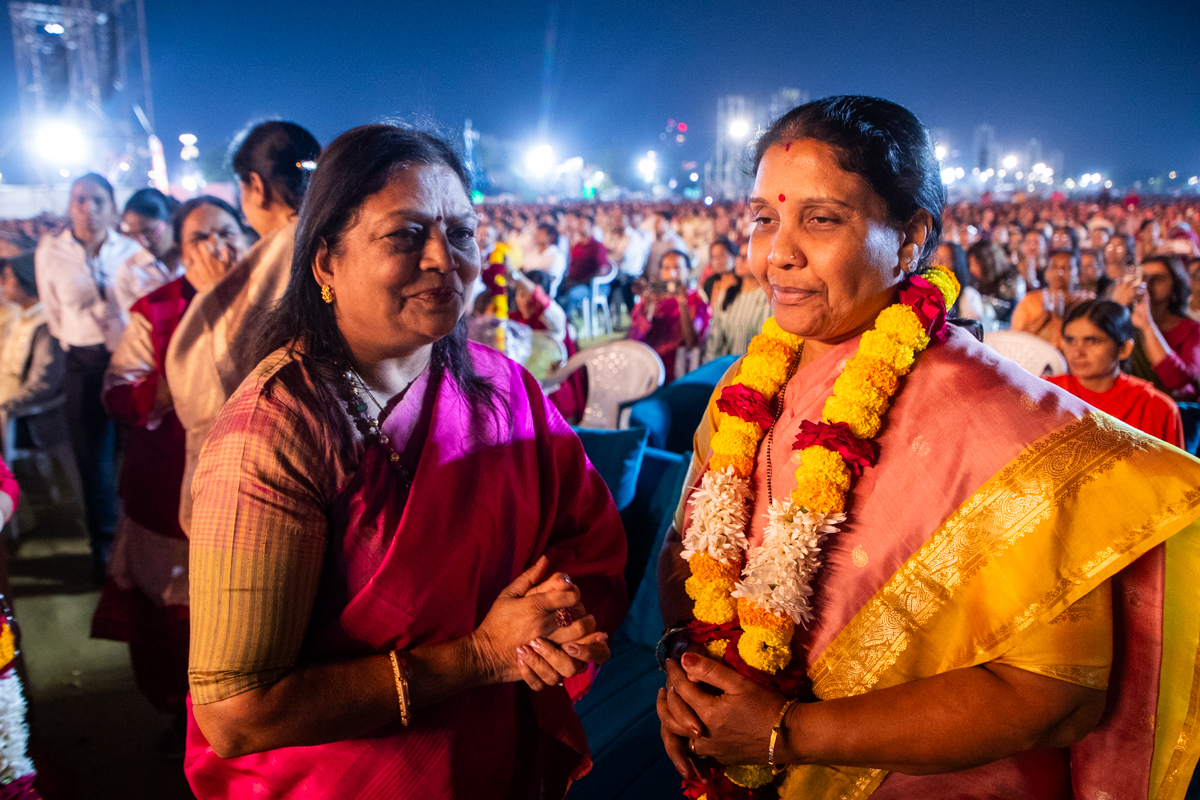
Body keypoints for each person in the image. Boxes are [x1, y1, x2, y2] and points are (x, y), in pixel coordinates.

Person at [654, 95, 1200, 800]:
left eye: (820, 219)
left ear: (911, 236)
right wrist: (687, 674)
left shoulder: (995, 418)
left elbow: (1058, 693)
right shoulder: (746, 383)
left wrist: (784, 732)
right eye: (763, 218)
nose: (777, 254)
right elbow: (687, 545)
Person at [184, 126, 627, 799]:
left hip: (491, 754)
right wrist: (477, 658)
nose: (443, 260)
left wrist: (555, 625)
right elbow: (238, 713)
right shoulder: (273, 432)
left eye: (461, 234)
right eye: (405, 236)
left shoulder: (504, 388)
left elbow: (589, 540)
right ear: (326, 262)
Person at [93, 196, 251, 759]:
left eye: (226, 232)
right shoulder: (157, 308)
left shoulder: (273, 301)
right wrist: (174, 383)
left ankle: (238, 727)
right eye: (199, 239)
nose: (216, 248)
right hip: (167, 490)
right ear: (179, 252)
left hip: (248, 488)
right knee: (170, 622)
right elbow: (116, 391)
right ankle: (177, 717)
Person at [165, 120, 319, 534]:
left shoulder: (285, 246)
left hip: (278, 446)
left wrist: (214, 296)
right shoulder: (328, 233)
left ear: (255, 185)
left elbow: (210, 367)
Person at [34, 173, 169, 579]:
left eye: (97, 201)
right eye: (79, 200)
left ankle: (145, 543)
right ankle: (104, 549)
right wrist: (77, 341)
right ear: (69, 206)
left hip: (130, 363)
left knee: (139, 454)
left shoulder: (130, 252)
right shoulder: (50, 251)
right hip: (81, 362)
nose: (87, 209)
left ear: (111, 207)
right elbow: (53, 311)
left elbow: (152, 304)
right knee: (91, 458)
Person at [1049, 300, 1183, 447]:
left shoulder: (1155, 407)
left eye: (1093, 340)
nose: (1078, 352)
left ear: (1124, 348)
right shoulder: (1045, 394)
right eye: (1070, 340)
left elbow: (1171, 469)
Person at [509, 270, 587, 424]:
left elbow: (543, 303)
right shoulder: (512, 321)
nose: (524, 302)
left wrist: (515, 274)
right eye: (520, 295)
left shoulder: (554, 320)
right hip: (520, 395)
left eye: (529, 297)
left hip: (552, 396)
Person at [0, 253, 66, 434]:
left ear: (25, 279)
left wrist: (6, 407)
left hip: (20, 417)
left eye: (7, 277)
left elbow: (42, 384)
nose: (3, 284)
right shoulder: (19, 319)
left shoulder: (45, 326)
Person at [1123, 254, 1200, 401]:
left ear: (1174, 285)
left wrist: (1147, 325)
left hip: (1177, 411)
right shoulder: (1126, 322)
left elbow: (1177, 381)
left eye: (1158, 278)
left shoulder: (1192, 329)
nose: (1148, 284)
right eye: (1144, 278)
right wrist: (1117, 304)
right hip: (1133, 404)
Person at [629, 250, 710, 382]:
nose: (671, 273)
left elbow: (691, 342)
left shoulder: (694, 298)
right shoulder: (649, 298)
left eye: (677, 267)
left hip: (678, 365)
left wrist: (681, 303)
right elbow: (634, 338)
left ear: (688, 271)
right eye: (666, 268)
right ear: (660, 272)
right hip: (647, 363)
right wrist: (647, 309)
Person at [703, 241, 770, 363]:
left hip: (757, 369)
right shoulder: (725, 296)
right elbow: (714, 342)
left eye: (746, 256)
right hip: (726, 370)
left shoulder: (768, 298)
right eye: (739, 255)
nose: (740, 260)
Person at [1010, 249, 1091, 346]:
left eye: (1066, 268)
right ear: (1046, 274)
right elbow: (1016, 339)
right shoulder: (1029, 301)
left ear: (1077, 274)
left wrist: (1059, 318)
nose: (1059, 272)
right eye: (1054, 267)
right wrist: (1044, 317)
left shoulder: (1083, 302)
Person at [121, 187, 181, 276]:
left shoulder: (192, 259)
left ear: (169, 221)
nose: (143, 242)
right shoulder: (130, 271)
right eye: (134, 234)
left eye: (148, 232)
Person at [966, 239, 1023, 323]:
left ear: (987, 262)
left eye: (975, 263)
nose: (972, 269)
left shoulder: (1013, 282)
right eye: (970, 264)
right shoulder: (976, 283)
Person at [522, 221, 567, 296]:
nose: (536, 236)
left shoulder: (557, 255)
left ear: (550, 237)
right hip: (525, 290)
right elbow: (523, 269)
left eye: (540, 234)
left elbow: (551, 278)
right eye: (536, 234)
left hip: (545, 295)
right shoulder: (532, 252)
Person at [645, 209, 689, 282]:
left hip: (669, 286)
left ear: (668, 223)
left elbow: (681, 268)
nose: (655, 224)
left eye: (659, 221)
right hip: (654, 285)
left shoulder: (675, 242)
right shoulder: (654, 241)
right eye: (655, 221)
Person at [702, 236, 737, 302]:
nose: (718, 261)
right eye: (714, 257)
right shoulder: (710, 284)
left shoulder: (742, 282)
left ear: (733, 255)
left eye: (722, 255)